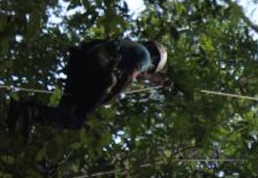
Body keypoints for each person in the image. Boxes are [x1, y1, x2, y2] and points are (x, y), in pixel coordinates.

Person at [7, 38, 168, 132]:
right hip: (98, 74)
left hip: (81, 66)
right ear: (154, 61)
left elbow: (141, 75)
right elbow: (129, 77)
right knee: (77, 120)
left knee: (66, 109)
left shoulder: (128, 45)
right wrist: (111, 96)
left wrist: (156, 79)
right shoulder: (145, 57)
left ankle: (25, 110)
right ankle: (31, 112)